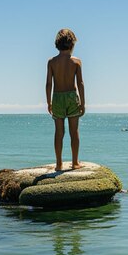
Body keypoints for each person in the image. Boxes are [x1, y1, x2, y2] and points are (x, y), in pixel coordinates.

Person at [46, 28, 86, 171]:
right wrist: (83, 103)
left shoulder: (52, 62)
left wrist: (48, 102)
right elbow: (80, 83)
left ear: (57, 44)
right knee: (74, 131)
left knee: (59, 132)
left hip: (57, 97)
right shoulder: (76, 62)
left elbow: (49, 83)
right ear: (72, 44)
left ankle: (58, 164)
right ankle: (75, 163)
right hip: (71, 96)